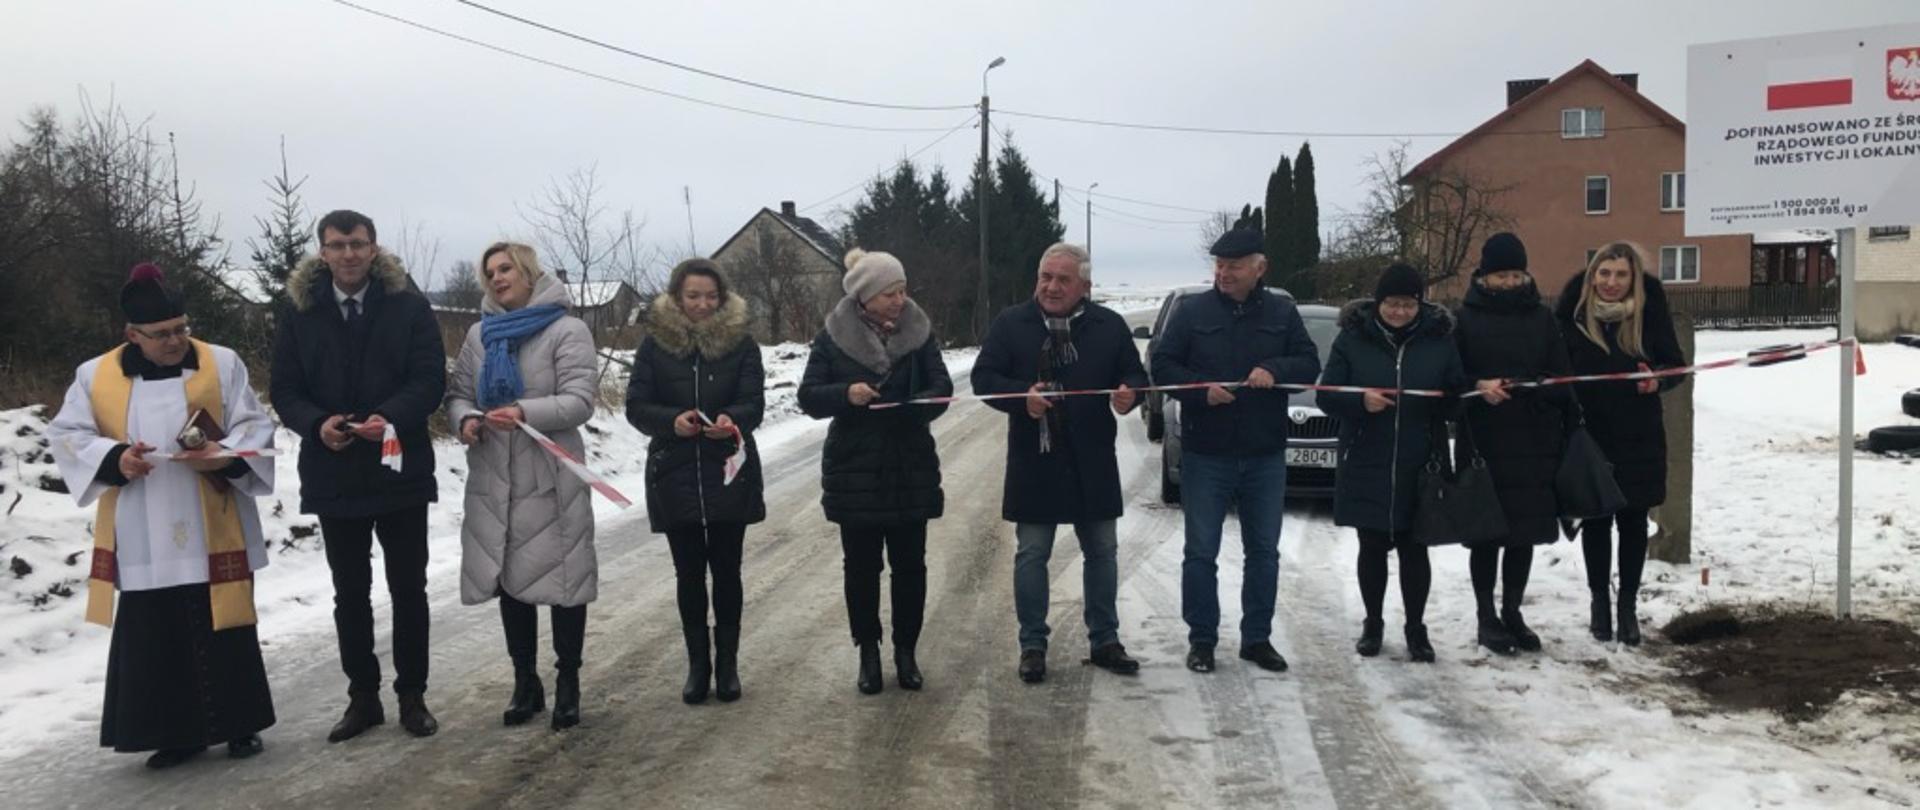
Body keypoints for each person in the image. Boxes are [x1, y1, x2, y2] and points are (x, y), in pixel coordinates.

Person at [48, 263, 277, 768]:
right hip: (143, 523)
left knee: (228, 623)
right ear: (133, 334)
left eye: (182, 329)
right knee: (157, 633)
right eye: (161, 335)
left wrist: (225, 455)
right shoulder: (96, 375)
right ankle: (177, 733)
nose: (175, 341)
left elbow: (254, 425)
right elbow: (67, 435)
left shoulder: (221, 362)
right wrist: (116, 459)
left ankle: (241, 726)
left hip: (213, 516)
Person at [270, 209, 447, 740]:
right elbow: (284, 389)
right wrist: (315, 423)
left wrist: (390, 416)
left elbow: (429, 380)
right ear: (322, 252)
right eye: (337, 244)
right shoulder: (300, 312)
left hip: (399, 469)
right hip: (334, 473)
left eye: (358, 244)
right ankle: (362, 697)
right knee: (350, 593)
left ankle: (412, 695)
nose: (348, 254)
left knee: (408, 589)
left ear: (374, 249)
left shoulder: (409, 307)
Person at [972, 242, 1149, 684]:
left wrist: (1129, 393)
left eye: (1062, 280)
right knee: (1032, 555)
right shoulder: (1012, 324)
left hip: (1092, 458)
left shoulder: (1109, 326)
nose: (1051, 287)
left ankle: (1104, 639)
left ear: (1085, 286)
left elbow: (1135, 374)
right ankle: (1032, 645)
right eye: (1045, 277)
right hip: (1036, 460)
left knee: (1103, 553)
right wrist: (1021, 398)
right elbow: (984, 378)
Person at [1149, 226, 1321, 674]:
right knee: (1200, 551)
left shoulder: (1283, 312)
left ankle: (1256, 639)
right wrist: (1199, 391)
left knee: (1263, 552)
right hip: (1207, 452)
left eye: (1234, 266)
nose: (1224, 273)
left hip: (1264, 453)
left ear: (1259, 268)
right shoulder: (1191, 311)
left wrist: (1273, 368)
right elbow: (1163, 367)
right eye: (1219, 265)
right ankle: (1202, 640)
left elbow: (1308, 364)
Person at [447, 242, 600, 729]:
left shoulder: (566, 328)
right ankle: (525, 680)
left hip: (550, 475)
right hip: (495, 473)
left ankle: (568, 680)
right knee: (509, 580)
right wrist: (467, 421)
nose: (496, 278)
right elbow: (458, 395)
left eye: (505, 268)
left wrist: (524, 412)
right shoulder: (479, 334)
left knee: (564, 581)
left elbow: (579, 401)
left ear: (529, 272)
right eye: (489, 271)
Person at [798, 248, 952, 695]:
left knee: (911, 567)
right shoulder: (832, 337)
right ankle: (868, 651)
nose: (899, 300)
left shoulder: (919, 332)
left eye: (902, 290)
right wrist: (846, 394)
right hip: (855, 469)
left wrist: (918, 403)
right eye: (890, 293)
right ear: (865, 296)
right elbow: (808, 396)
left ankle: (906, 652)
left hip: (910, 463)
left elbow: (941, 386)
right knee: (861, 569)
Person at [626, 258, 766, 704]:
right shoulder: (654, 346)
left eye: (710, 296)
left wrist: (733, 419)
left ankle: (728, 665)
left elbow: (754, 403)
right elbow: (636, 406)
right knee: (688, 573)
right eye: (693, 296)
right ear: (677, 298)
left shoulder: (742, 344)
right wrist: (672, 422)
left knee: (727, 571)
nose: (702, 304)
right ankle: (697, 665)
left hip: (728, 468)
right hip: (675, 470)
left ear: (722, 298)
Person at [1316, 263, 1467, 663]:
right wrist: (1360, 401)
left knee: (1415, 550)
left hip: (1422, 460)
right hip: (1368, 456)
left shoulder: (1439, 340)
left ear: (1420, 304)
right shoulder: (1352, 339)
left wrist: (1449, 398)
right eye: (1392, 303)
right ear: (1378, 302)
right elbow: (1326, 394)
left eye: (1408, 304)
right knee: (1372, 546)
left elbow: (1457, 395)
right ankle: (1373, 622)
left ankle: (1416, 628)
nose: (1400, 311)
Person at [1453, 232, 1577, 655]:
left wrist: (1538, 389)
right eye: (1500, 275)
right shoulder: (1464, 319)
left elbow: (1562, 377)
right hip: (1483, 440)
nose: (1508, 282)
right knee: (1486, 532)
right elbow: (1450, 379)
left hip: (1533, 438)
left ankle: (1512, 610)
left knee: (1523, 534)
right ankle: (1485, 614)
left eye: (1514, 274)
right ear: (1484, 276)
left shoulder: (1542, 319)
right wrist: (1477, 386)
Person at [1556, 242, 1686, 646]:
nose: (1611, 283)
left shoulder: (1650, 314)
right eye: (1604, 274)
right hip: (1589, 436)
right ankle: (1599, 603)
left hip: (1638, 434)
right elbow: (1553, 368)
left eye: (1621, 275)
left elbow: (1675, 365)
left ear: (1633, 279)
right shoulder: (1572, 316)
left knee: (1632, 522)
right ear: (1593, 275)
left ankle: (1627, 606)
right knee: (1596, 520)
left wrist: (1658, 379)